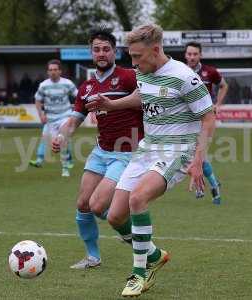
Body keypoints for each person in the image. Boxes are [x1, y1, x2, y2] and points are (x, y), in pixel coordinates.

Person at [86, 23, 215, 297]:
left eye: (137, 56)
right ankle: (154, 254)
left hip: (177, 150)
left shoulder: (184, 76)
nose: (133, 62)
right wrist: (111, 104)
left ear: (155, 50)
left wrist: (198, 160)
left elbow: (209, 116)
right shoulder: (143, 72)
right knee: (115, 216)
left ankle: (140, 275)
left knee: (137, 199)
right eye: (131, 56)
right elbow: (141, 95)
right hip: (147, 149)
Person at [51, 28, 144, 269]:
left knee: (98, 205)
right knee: (83, 203)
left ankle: (131, 235)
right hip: (101, 151)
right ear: (91, 53)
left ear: (115, 52)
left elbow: (146, 98)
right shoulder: (86, 87)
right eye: (96, 49)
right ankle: (93, 257)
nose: (101, 53)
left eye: (106, 49)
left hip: (126, 153)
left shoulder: (129, 77)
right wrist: (61, 137)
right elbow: (74, 120)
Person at [184, 41, 228, 204]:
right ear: (185, 55)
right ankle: (210, 185)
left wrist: (217, 104)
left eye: (195, 54)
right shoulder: (179, 72)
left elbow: (224, 86)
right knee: (189, 156)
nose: (192, 57)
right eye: (189, 54)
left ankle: (211, 188)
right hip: (186, 121)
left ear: (200, 55)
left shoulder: (210, 72)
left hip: (205, 120)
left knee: (199, 156)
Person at [29, 59, 77, 177]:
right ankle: (42, 160)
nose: (53, 72)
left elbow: (78, 96)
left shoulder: (68, 83)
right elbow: (37, 100)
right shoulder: (44, 85)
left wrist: (76, 113)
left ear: (60, 71)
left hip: (65, 117)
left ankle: (65, 168)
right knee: (49, 141)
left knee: (62, 141)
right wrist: (41, 114)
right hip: (50, 119)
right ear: (47, 72)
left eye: (55, 70)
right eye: (50, 70)